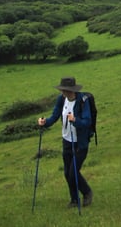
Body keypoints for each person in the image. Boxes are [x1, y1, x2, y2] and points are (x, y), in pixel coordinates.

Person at [38, 77, 94, 208]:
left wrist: (75, 120)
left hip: (80, 143)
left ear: (73, 90)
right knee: (66, 173)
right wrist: (45, 122)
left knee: (73, 172)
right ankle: (74, 200)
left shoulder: (83, 101)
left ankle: (87, 192)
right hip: (67, 141)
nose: (64, 93)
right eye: (63, 90)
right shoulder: (61, 99)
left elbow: (87, 121)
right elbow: (54, 116)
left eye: (66, 90)